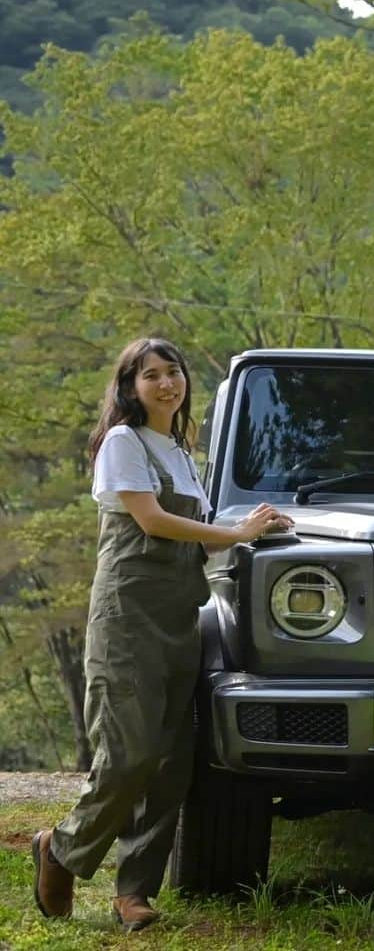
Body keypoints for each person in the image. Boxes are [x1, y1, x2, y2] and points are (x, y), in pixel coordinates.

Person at [31, 337, 292, 931]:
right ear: (130, 388)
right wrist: (235, 534)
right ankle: (62, 847)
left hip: (181, 616)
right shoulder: (122, 443)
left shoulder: (180, 451)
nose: (166, 384)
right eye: (151, 376)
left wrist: (260, 523)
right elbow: (151, 521)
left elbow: (196, 524)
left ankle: (134, 894)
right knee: (131, 752)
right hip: (128, 618)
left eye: (172, 373)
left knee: (172, 763)